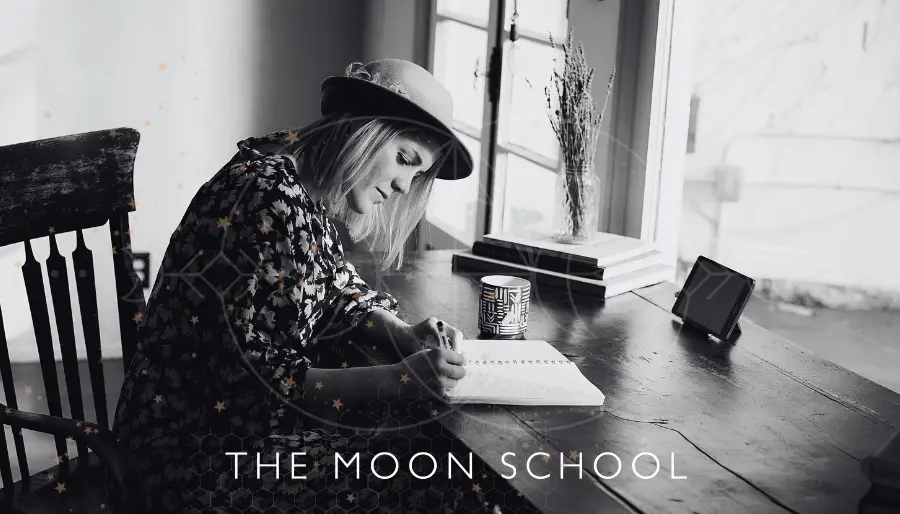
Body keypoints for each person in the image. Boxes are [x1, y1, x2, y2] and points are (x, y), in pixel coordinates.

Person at [111, 59, 530, 513]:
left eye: (418, 175)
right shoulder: (268, 197)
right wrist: (397, 379)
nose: (404, 186)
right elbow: (257, 388)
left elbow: (329, 284)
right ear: (361, 127)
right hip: (197, 459)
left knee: (422, 455)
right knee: (447, 479)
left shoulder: (294, 179)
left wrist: (401, 332)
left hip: (214, 439)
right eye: (406, 160)